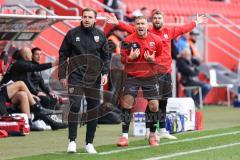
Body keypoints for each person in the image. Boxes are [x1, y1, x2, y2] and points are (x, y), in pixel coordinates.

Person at [106, 10, 207, 140]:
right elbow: (130, 28)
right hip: (152, 72)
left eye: (160, 17)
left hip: (166, 71)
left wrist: (196, 22)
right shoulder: (147, 32)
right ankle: (149, 130)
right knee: (153, 102)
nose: (157, 20)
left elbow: (183, 29)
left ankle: (163, 129)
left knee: (164, 101)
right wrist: (118, 23)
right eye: (155, 18)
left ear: (163, 20)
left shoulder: (168, 32)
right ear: (151, 21)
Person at [59, 8, 110, 154]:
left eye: (89, 17)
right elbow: (63, 54)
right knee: (75, 105)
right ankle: (72, 141)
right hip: (75, 76)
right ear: (81, 18)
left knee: (93, 109)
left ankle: (89, 143)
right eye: (84, 16)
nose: (86, 19)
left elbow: (106, 56)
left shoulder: (100, 35)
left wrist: (105, 73)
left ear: (95, 19)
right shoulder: (72, 34)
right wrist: (62, 74)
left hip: (93, 78)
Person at [116, 16, 162, 147]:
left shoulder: (156, 40)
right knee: (127, 104)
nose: (140, 26)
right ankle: (124, 137)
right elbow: (122, 59)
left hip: (150, 76)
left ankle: (152, 135)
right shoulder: (127, 40)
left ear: (147, 25)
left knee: (154, 106)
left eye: (143, 24)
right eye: (138, 24)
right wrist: (130, 57)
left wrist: (153, 60)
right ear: (134, 26)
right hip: (132, 76)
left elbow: (160, 58)